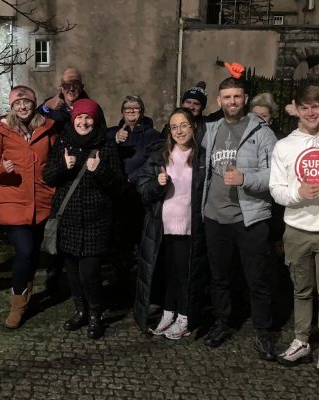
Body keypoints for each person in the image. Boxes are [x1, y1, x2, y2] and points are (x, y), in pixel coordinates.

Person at [199, 75, 278, 361]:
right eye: (227, 97)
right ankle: (222, 323)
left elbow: (274, 175)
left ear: (245, 99)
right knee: (219, 277)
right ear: (219, 101)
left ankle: (264, 331)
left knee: (256, 279)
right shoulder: (210, 130)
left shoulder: (262, 132)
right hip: (214, 216)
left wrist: (246, 178)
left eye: (237, 96)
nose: (232, 102)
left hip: (249, 217)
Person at [269, 85, 319, 376]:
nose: (311, 112)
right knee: (301, 290)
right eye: (305, 107)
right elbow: (275, 190)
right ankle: (302, 340)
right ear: (297, 109)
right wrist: (298, 193)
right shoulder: (285, 145)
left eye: (317, 106)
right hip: (297, 229)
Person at [43, 98, 123, 339]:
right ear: (73, 119)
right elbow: (48, 176)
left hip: (96, 222)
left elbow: (118, 185)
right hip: (68, 221)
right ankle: (80, 311)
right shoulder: (63, 143)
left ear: (95, 120)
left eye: (89, 117)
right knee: (73, 273)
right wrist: (64, 166)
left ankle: (95, 315)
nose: (84, 122)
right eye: (80, 117)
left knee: (90, 273)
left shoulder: (106, 145)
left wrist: (99, 170)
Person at [0, 86, 57, 329]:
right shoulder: (3, 131)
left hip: (41, 201)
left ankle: (27, 296)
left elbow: (55, 161)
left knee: (34, 254)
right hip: (12, 200)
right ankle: (17, 304)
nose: (23, 107)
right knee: (24, 251)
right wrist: (2, 169)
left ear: (34, 104)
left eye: (27, 102)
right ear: (12, 107)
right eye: (18, 103)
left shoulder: (47, 128)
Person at [134, 108, 208, 340]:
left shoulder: (202, 157)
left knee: (186, 275)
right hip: (162, 228)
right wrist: (157, 184)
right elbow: (144, 191)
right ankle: (169, 312)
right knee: (167, 274)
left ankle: (185, 317)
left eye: (184, 125)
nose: (179, 131)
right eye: (174, 126)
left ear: (193, 126)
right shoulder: (160, 156)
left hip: (189, 228)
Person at [38, 67, 105, 293]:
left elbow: (101, 136)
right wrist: (49, 104)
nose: (71, 88)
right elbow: (37, 117)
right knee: (59, 230)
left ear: (82, 86)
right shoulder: (54, 107)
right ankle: (53, 280)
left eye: (75, 84)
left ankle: (82, 283)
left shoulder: (91, 108)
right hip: (61, 168)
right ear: (61, 87)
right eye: (67, 85)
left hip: (86, 172)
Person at [106, 95, 160, 286]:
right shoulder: (113, 132)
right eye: (127, 108)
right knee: (120, 243)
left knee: (141, 241)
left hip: (139, 195)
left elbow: (153, 162)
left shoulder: (151, 135)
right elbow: (102, 153)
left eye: (135, 108)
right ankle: (121, 283)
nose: (131, 111)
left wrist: (132, 178)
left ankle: (144, 283)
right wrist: (114, 140)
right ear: (122, 112)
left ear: (142, 111)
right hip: (118, 197)